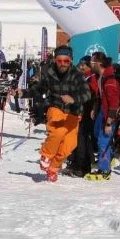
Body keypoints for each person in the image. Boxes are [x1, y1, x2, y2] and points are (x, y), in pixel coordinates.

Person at [15, 45, 90, 182]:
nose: (62, 64)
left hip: (73, 113)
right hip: (55, 109)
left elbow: (86, 94)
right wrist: (23, 93)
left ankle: (53, 168)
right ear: (55, 60)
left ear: (71, 61)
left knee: (70, 145)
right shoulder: (50, 73)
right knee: (58, 131)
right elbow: (38, 89)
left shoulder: (77, 75)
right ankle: (46, 155)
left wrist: (73, 99)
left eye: (66, 61)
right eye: (59, 61)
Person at [85, 51, 120, 181]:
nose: (90, 64)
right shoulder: (100, 76)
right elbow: (100, 97)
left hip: (108, 115)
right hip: (102, 112)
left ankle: (105, 171)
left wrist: (109, 122)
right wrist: (95, 108)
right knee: (97, 135)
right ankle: (105, 160)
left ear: (98, 63)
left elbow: (114, 103)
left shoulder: (110, 80)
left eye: (92, 62)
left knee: (103, 140)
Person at [64, 56, 98, 177]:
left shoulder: (91, 78)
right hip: (82, 112)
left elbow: (91, 96)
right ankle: (79, 165)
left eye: (84, 64)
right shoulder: (85, 77)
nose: (81, 66)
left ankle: (82, 167)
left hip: (86, 113)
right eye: (81, 64)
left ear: (89, 65)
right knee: (81, 140)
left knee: (81, 140)